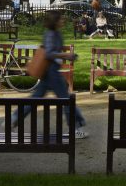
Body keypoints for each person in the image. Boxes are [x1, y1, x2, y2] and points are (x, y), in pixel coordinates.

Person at [10, 10, 88, 139]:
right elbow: (49, 53)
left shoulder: (55, 33)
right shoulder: (51, 34)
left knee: (36, 97)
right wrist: (66, 55)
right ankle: (75, 128)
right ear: (55, 21)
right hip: (52, 72)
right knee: (66, 100)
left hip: (50, 71)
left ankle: (13, 119)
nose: (63, 20)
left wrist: (65, 57)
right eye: (61, 19)